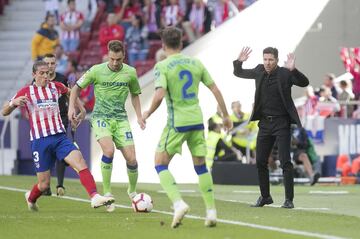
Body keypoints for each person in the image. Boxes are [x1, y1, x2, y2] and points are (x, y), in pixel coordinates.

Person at [142, 26, 232, 228]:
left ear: (163, 46)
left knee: (160, 163)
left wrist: (147, 112)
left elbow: (159, 94)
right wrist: (226, 116)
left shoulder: (162, 66)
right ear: (181, 43)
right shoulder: (196, 63)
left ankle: (178, 203)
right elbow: (215, 89)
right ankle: (211, 212)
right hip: (197, 120)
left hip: (177, 122)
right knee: (200, 166)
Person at [1, 61, 114, 211]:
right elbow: (4, 112)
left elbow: (71, 92)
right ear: (34, 75)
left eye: (47, 73)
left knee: (80, 161)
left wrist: (81, 109)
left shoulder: (56, 87)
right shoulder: (26, 92)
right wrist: (13, 103)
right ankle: (30, 198)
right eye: (41, 73)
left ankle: (94, 196)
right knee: (44, 185)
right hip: (40, 141)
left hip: (60, 137)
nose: (45, 76)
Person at [68, 40, 145, 213]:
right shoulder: (96, 70)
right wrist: (72, 108)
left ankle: (132, 192)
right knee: (108, 151)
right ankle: (108, 192)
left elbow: (135, 95)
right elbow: (75, 89)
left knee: (132, 159)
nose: (115, 63)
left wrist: (139, 116)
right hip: (101, 118)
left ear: (123, 56)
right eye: (112, 59)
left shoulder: (130, 73)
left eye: (118, 59)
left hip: (121, 120)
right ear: (108, 55)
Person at [233, 46, 309, 209]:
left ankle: (289, 199)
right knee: (260, 161)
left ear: (276, 60)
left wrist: (293, 70)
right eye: (265, 59)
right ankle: (265, 196)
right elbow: (239, 73)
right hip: (265, 124)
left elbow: (304, 82)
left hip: (282, 123)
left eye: (270, 60)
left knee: (285, 162)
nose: (267, 63)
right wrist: (239, 62)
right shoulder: (259, 70)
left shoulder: (285, 73)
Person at [41, 53, 86, 196]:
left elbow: (70, 94)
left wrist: (81, 109)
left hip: (61, 119)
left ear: (56, 64)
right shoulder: (37, 81)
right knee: (47, 152)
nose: (50, 66)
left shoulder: (62, 79)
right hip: (44, 122)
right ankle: (45, 186)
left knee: (61, 151)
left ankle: (60, 184)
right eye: (47, 63)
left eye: (52, 63)